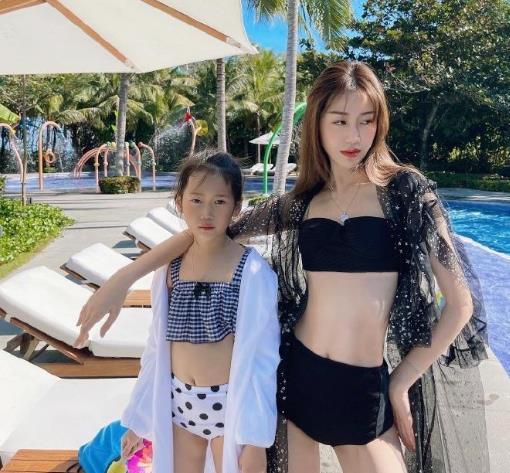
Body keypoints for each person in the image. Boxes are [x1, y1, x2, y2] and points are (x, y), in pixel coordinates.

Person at [75, 62, 489, 473]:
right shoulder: (305, 202)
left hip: (363, 388)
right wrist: (123, 279)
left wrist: (402, 379)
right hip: (298, 377)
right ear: (317, 124)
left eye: (366, 121)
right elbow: (212, 231)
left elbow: (460, 305)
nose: (354, 136)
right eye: (339, 121)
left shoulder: (406, 192)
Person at [95, 152, 280, 473]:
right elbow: (156, 349)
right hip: (180, 407)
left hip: (230, 409)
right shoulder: (170, 268)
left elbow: (262, 358)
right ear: (180, 203)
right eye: (196, 200)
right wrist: (139, 421)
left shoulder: (251, 270)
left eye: (219, 202)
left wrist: (255, 441)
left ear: (236, 207)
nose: (207, 212)